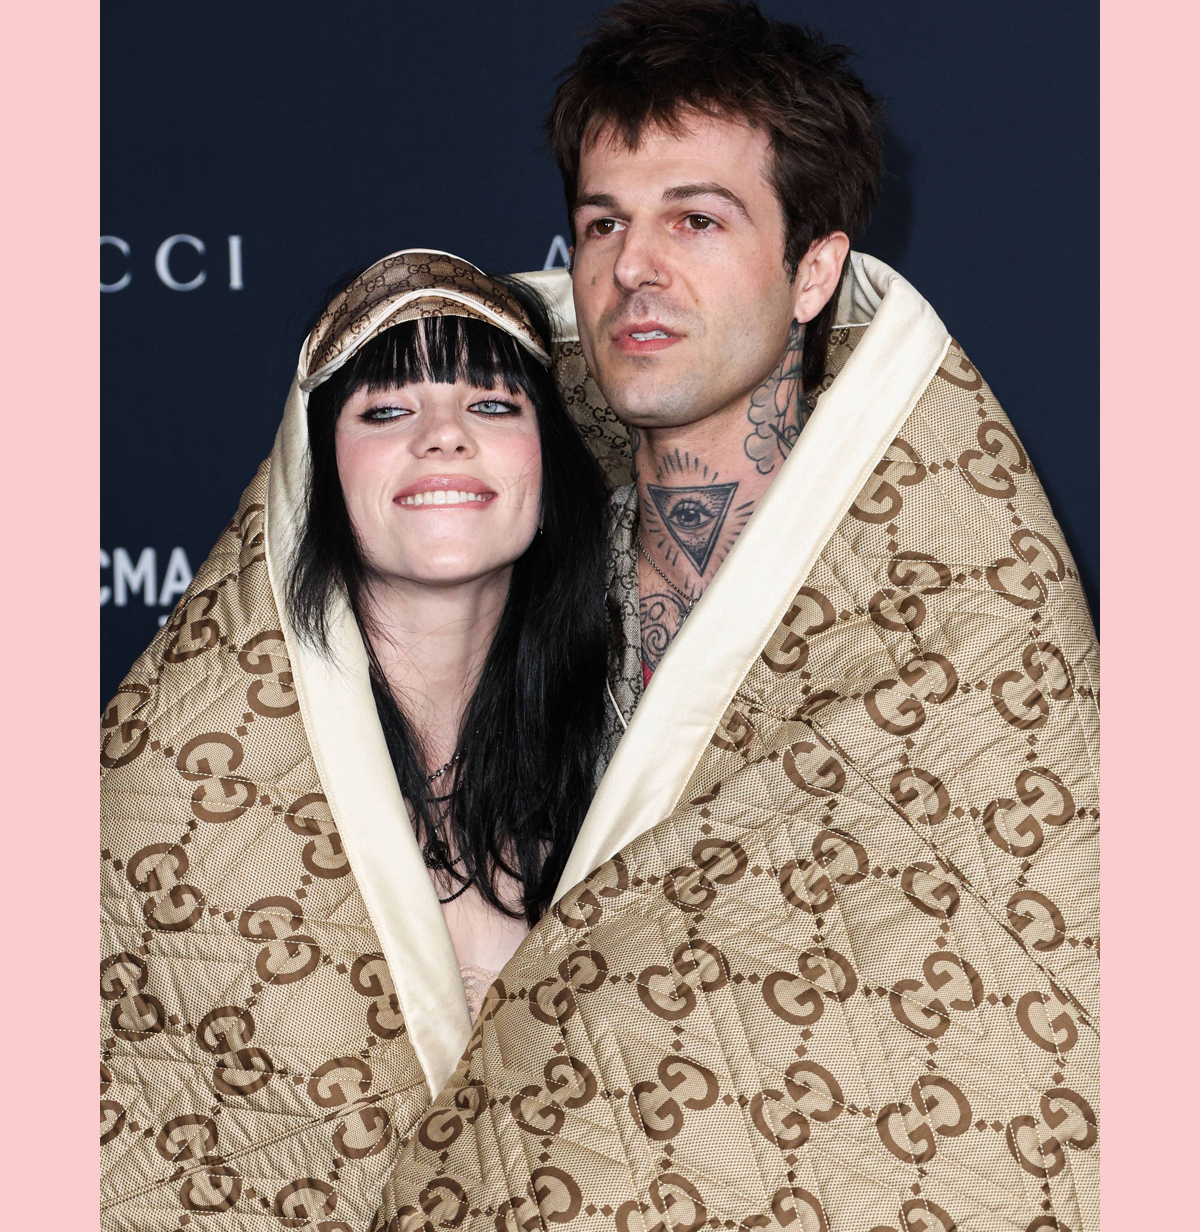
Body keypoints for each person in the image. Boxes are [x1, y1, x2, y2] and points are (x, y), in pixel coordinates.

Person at [376, 5, 1100, 1232]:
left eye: (697, 220)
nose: (634, 268)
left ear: (814, 269)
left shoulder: (946, 623)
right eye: (604, 222)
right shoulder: (500, 595)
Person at [99, 252, 612, 1228]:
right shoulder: (174, 789)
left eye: (496, 403)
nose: (446, 435)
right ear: (313, 469)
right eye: (385, 410)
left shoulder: (633, 764)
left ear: (549, 459)